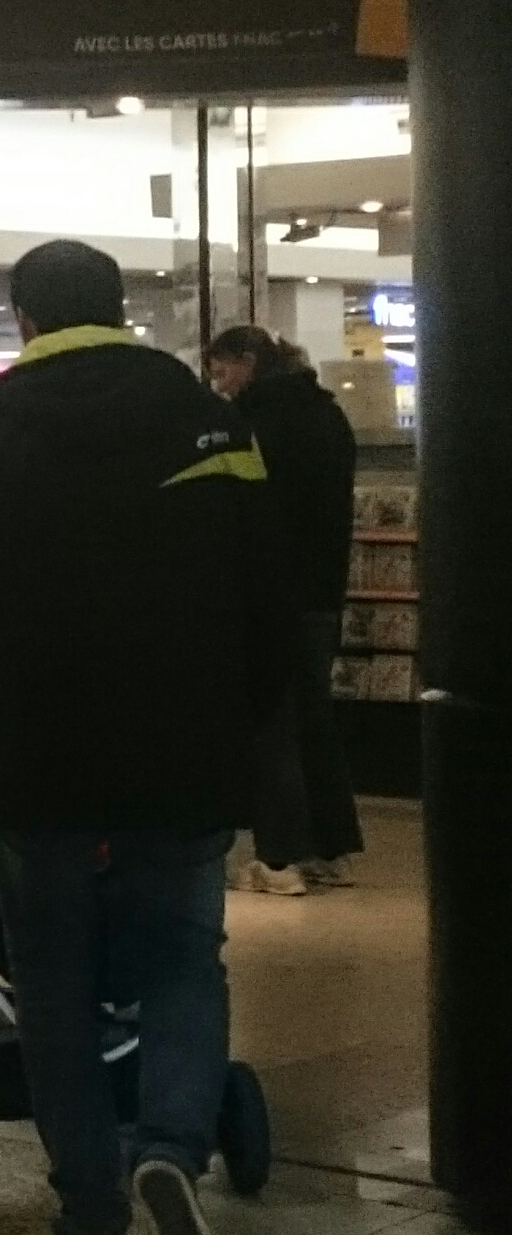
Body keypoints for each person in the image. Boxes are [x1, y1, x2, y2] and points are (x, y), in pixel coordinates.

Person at [0, 241, 284, 1235]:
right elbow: (268, 593)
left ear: (23, 319)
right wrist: (245, 720)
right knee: (182, 961)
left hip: (36, 760)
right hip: (185, 752)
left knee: (52, 982)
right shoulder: (214, 428)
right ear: (120, 310)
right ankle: (167, 1147)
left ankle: (88, 1201)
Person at [206, 325, 362, 893]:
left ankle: (281, 857)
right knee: (314, 719)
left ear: (248, 362)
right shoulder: (327, 414)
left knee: (272, 721)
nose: (220, 386)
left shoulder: (252, 425)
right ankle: (329, 846)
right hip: (322, 588)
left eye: (223, 372)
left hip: (271, 592)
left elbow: (244, 513)